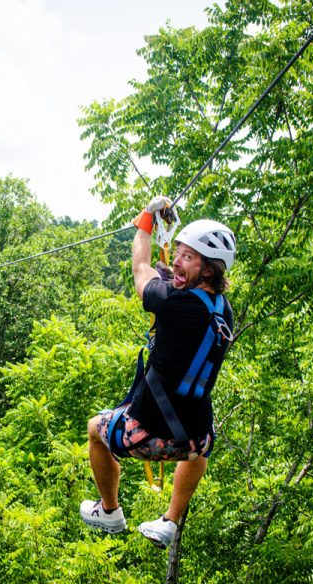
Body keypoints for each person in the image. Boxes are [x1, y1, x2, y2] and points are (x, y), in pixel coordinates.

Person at [80, 196, 236, 549]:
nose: (178, 260)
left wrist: (148, 219)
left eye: (188, 256)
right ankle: (170, 520)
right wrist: (174, 258)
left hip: (148, 435)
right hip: (196, 440)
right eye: (178, 252)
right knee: (202, 449)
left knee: (95, 430)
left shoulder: (174, 303)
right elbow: (173, 283)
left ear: (208, 270)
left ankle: (110, 511)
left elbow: (141, 268)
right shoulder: (222, 309)